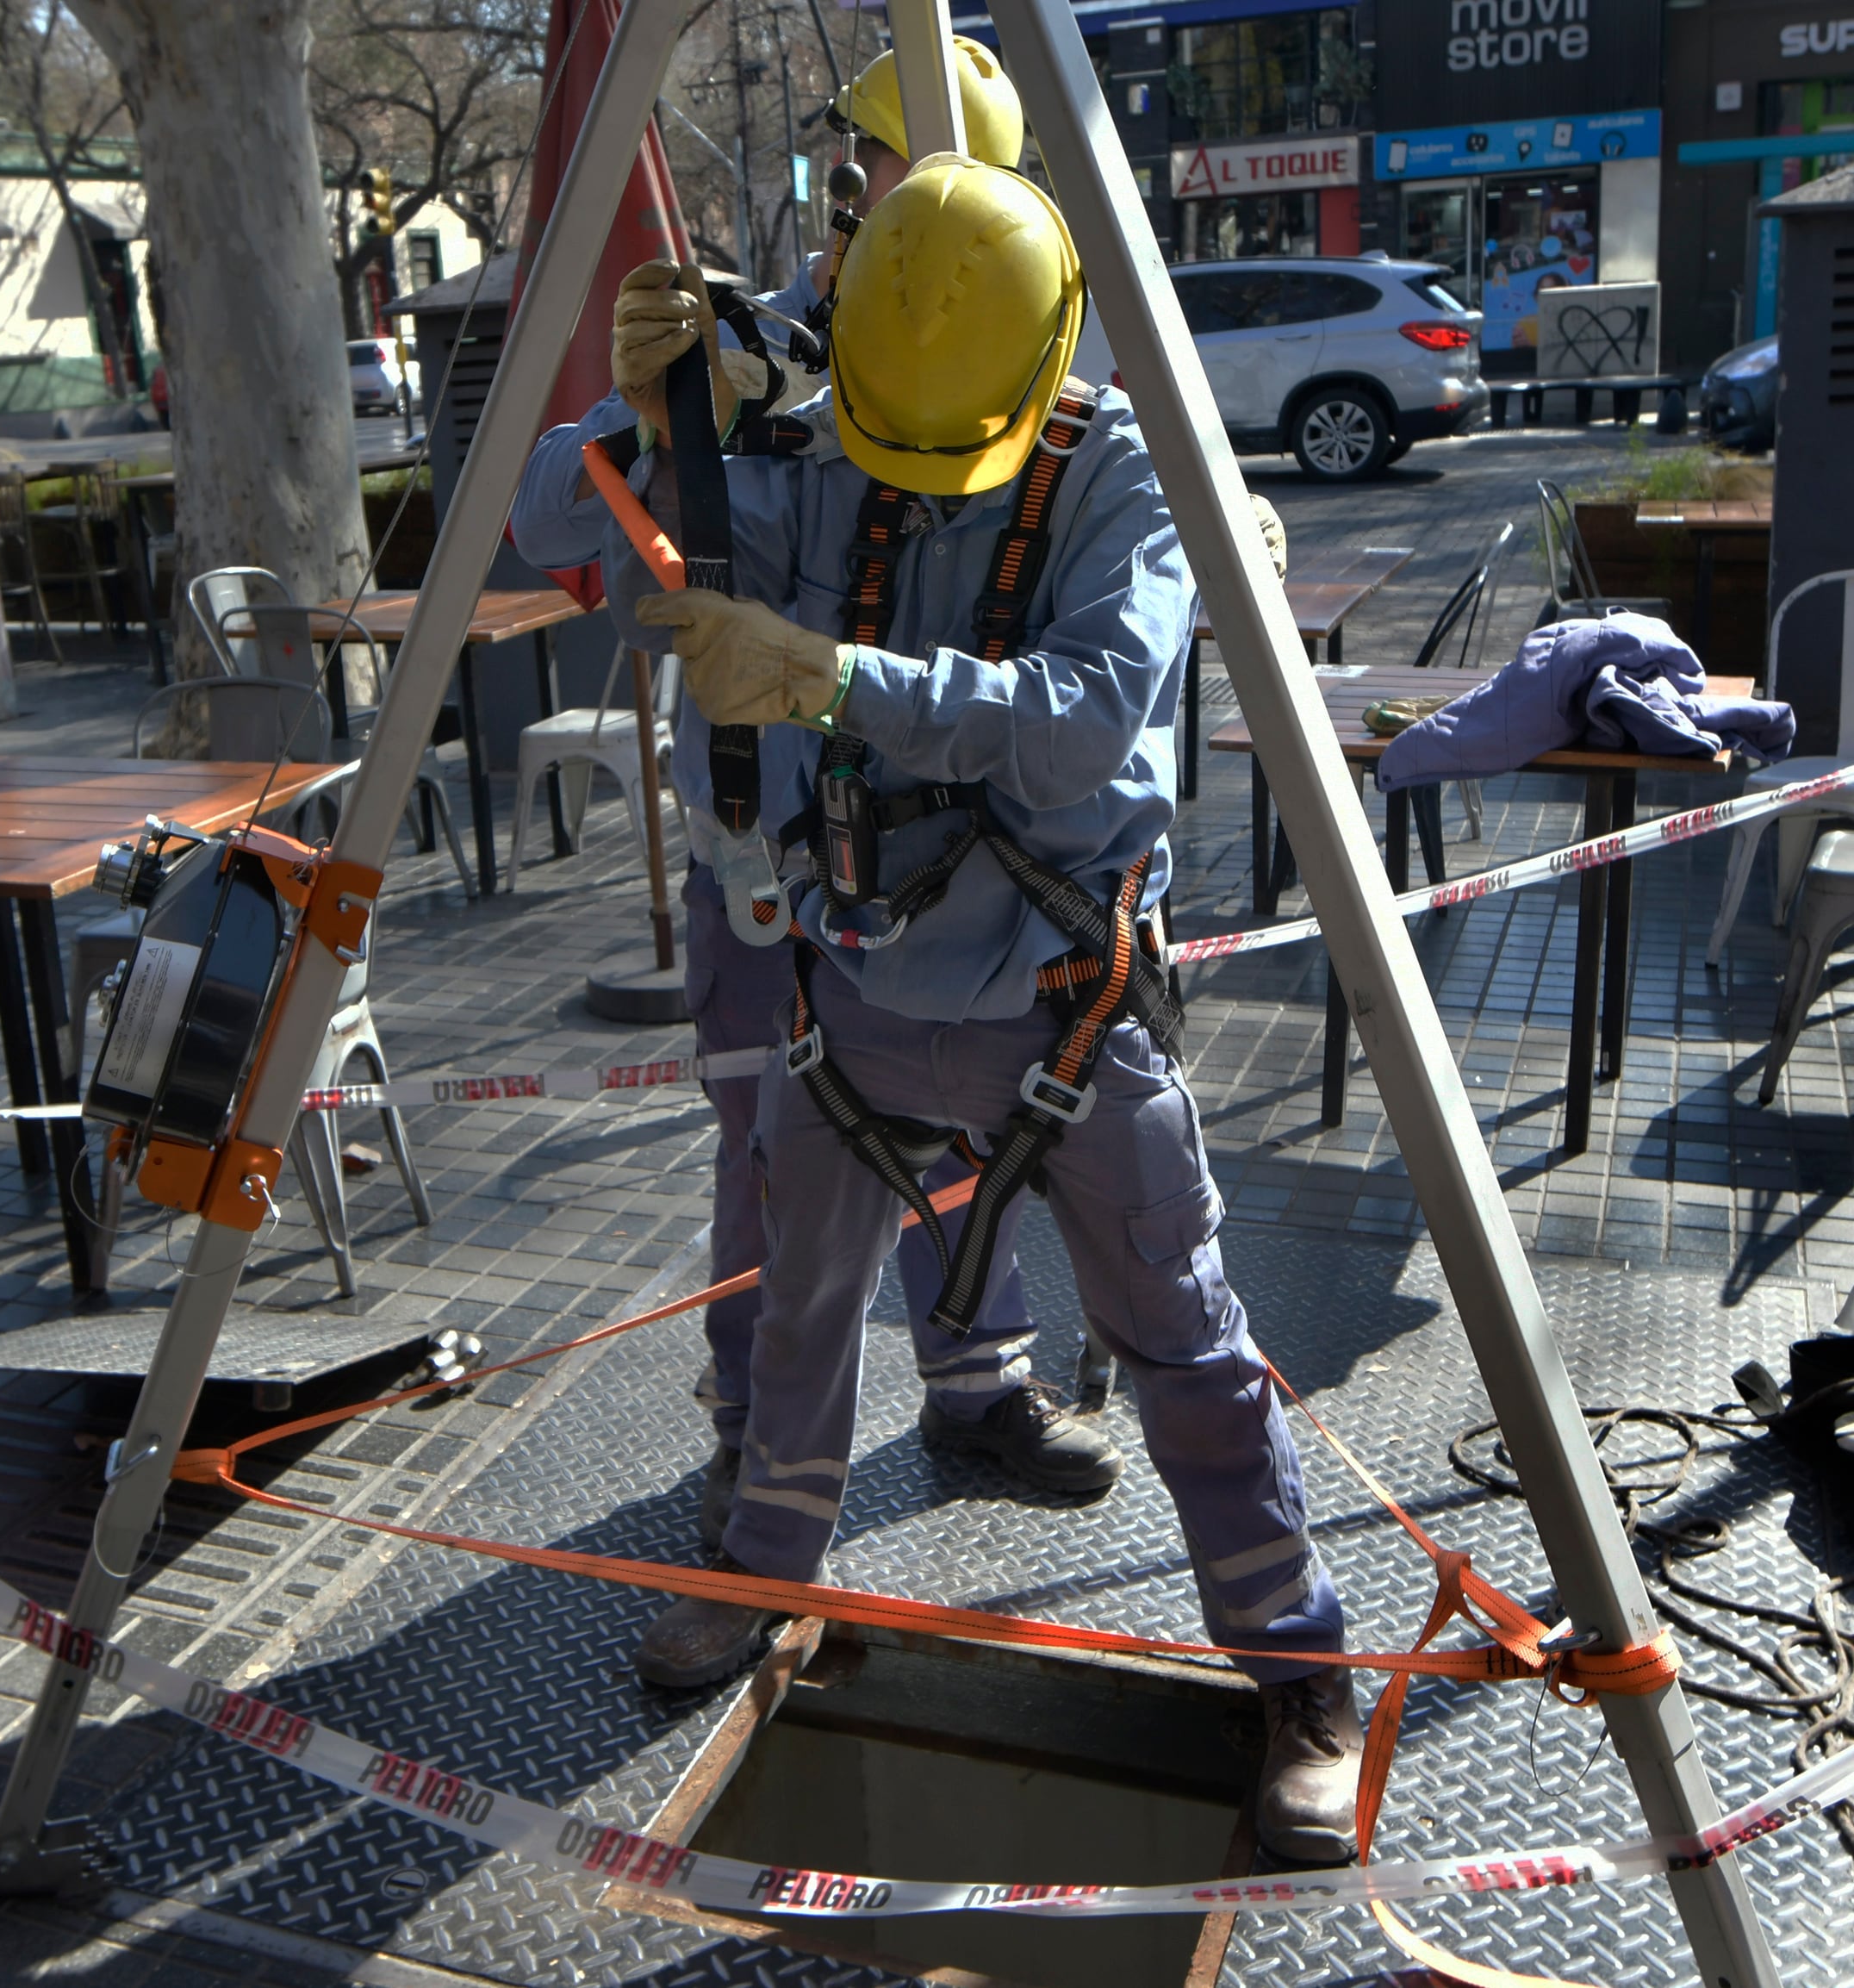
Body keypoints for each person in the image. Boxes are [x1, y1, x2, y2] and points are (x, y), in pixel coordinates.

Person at [513, 148, 1363, 1866]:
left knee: (1184, 1343)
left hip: (1063, 1008)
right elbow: (551, 532)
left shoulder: (1129, 475)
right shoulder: (835, 452)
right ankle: (761, 1578)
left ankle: (1300, 1669)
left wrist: (829, 674)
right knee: (800, 1319)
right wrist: (633, 408)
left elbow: (1077, 719)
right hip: (855, 1003)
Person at [515, 38, 1125, 1565]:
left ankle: (977, 1387)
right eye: (854, 191)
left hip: (944, 871)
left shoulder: (1019, 368)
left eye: (888, 193)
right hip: (760, 864)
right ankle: (753, 1438)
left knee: (965, 1144)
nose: (858, 227)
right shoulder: (754, 353)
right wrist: (653, 419)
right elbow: (541, 524)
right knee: (767, 1161)